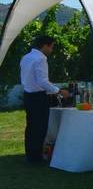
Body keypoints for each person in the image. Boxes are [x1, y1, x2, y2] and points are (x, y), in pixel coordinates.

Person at [20, 35, 70, 163]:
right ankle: (36, 157)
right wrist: (59, 91)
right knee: (40, 127)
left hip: (27, 95)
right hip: (38, 97)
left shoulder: (26, 57)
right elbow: (42, 81)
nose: (51, 50)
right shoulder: (41, 59)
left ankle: (30, 155)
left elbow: (32, 79)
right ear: (45, 46)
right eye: (51, 47)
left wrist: (49, 86)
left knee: (31, 126)